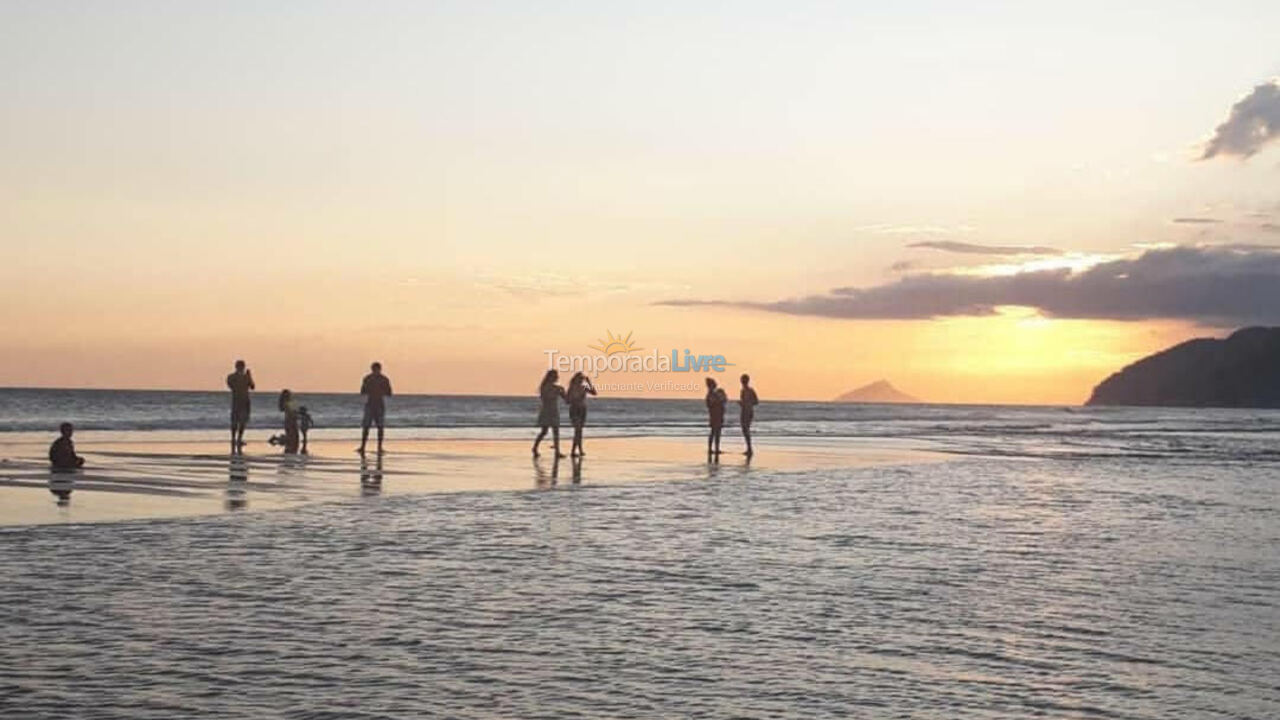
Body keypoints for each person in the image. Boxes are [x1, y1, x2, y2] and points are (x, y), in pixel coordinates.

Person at [359, 362, 393, 455]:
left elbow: (389, 393)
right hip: (371, 404)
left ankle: (379, 447)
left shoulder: (383, 379)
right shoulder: (368, 379)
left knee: (380, 427)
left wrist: (380, 390)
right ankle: (363, 446)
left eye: (376, 369)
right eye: (374, 370)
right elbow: (363, 391)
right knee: (366, 426)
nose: (376, 371)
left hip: (378, 405)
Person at [532, 369, 567, 458]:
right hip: (547, 410)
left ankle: (557, 452)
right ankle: (535, 447)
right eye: (555, 376)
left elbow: (566, 399)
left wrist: (563, 392)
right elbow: (546, 398)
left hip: (553, 410)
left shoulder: (556, 388)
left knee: (556, 431)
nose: (557, 377)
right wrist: (557, 391)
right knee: (544, 431)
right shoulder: (545, 387)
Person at [226, 360, 255, 453]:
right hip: (238, 401)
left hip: (245, 401)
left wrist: (249, 376)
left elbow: (252, 386)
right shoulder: (231, 377)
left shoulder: (245, 377)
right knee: (235, 421)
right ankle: (234, 438)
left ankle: (238, 439)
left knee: (242, 421)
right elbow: (231, 386)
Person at [566, 372, 597, 457]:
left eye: (582, 379)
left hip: (582, 409)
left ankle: (579, 449)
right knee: (577, 430)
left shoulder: (584, 387)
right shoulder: (571, 388)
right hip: (575, 409)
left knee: (579, 431)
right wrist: (574, 399)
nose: (580, 380)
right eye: (579, 379)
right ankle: (574, 450)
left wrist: (589, 382)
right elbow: (567, 401)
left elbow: (594, 392)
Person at [705, 377, 727, 455]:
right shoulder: (710, 395)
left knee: (716, 432)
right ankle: (712, 448)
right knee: (714, 432)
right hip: (715, 415)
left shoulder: (715, 393)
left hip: (718, 414)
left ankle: (715, 448)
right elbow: (711, 404)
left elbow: (724, 400)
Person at [739, 373, 760, 456]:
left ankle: (749, 448)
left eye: (744, 381)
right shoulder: (742, 390)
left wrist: (748, 403)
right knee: (745, 430)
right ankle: (748, 448)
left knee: (746, 429)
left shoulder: (750, 390)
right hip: (744, 410)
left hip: (748, 411)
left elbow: (756, 401)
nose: (743, 382)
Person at [277, 389, 300, 454]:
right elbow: (295, 412)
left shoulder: (286, 403)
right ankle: (291, 450)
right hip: (292, 421)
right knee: (294, 436)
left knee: (291, 436)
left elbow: (282, 409)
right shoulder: (291, 403)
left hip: (288, 421)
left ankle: (289, 449)